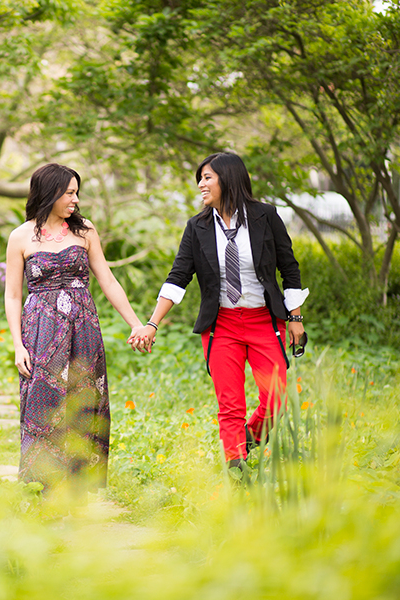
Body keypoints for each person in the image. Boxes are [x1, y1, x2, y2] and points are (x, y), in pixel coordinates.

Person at [129, 152, 308, 478]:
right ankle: (235, 468)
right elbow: (178, 277)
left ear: (229, 179)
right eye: (200, 178)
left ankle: (248, 439)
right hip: (222, 326)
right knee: (230, 405)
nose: (201, 184)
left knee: (277, 396)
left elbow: (289, 268)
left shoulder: (265, 216)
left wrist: (295, 317)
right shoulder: (197, 227)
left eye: (207, 177)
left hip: (264, 321)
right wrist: (152, 323)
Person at [5, 163, 147, 493]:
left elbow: (108, 280)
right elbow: (13, 294)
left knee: (84, 401)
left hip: (83, 327)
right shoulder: (21, 236)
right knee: (42, 403)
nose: (75, 198)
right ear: (50, 193)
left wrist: (136, 323)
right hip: (40, 331)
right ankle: (41, 486)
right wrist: (17, 344)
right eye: (69, 192)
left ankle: (81, 487)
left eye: (76, 192)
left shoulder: (85, 231)